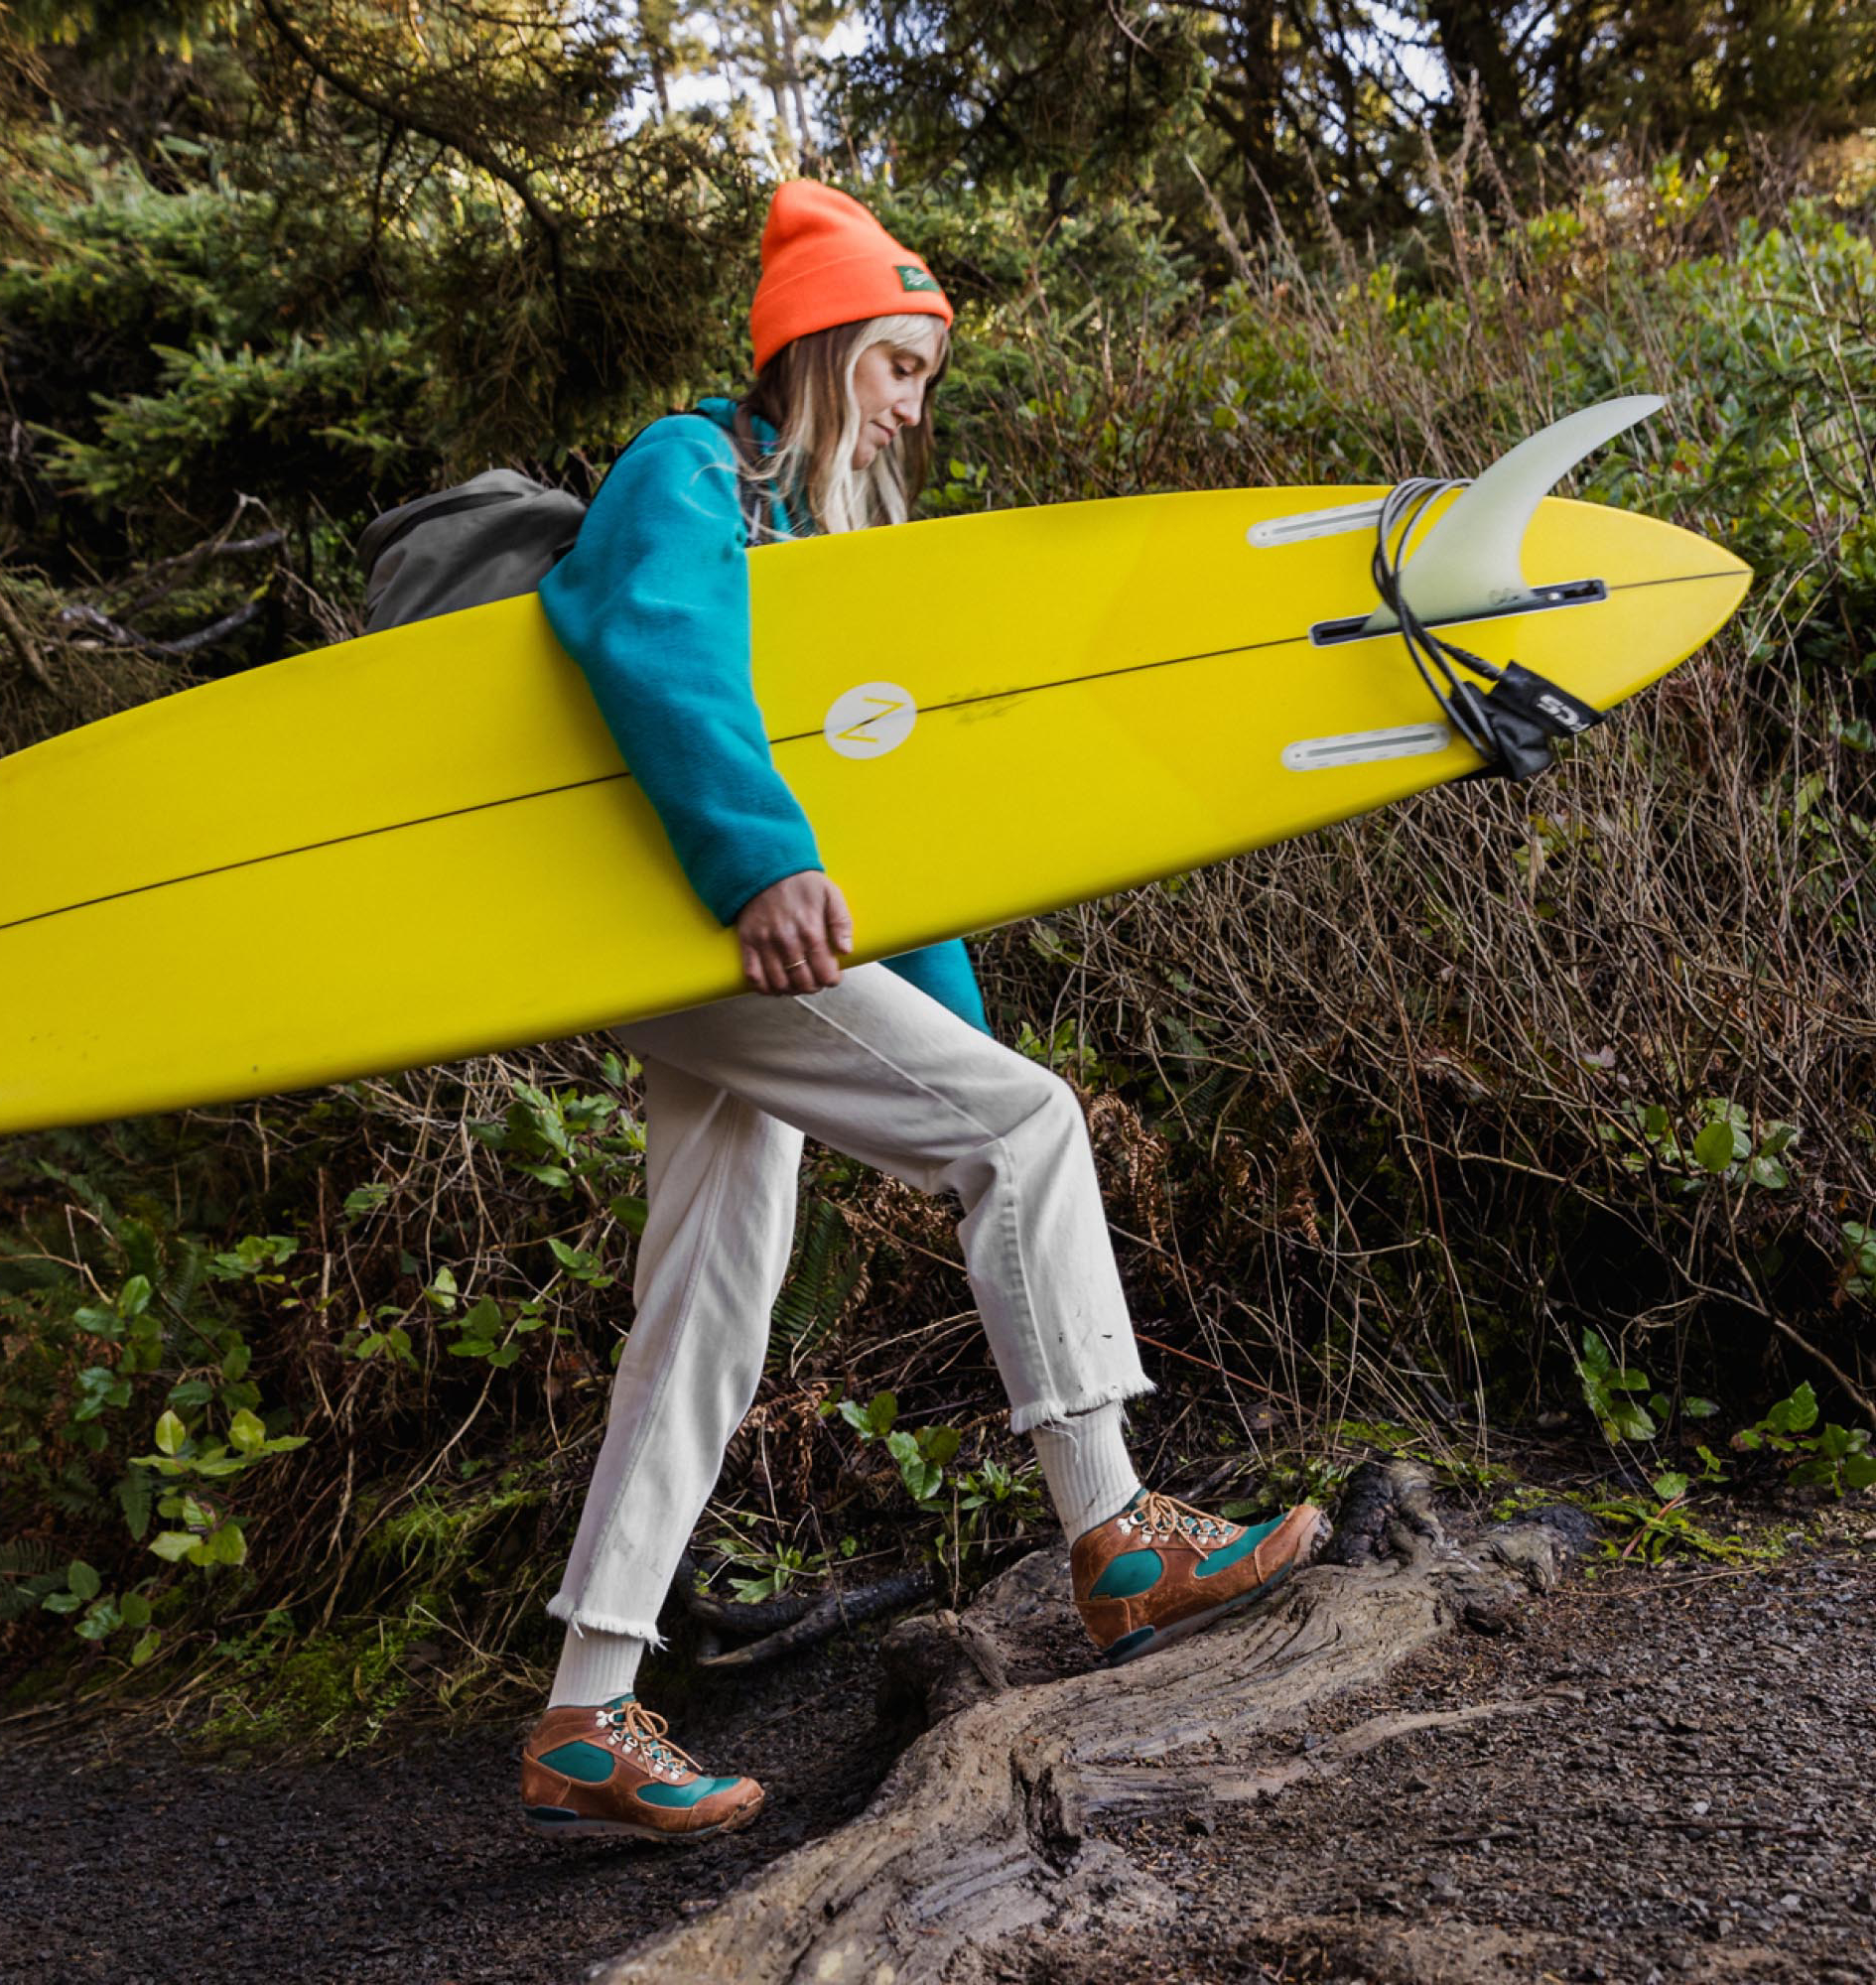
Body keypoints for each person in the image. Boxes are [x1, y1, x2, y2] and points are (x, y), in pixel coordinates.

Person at [517, 180, 1323, 1843]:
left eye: (924, 374)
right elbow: (652, 645)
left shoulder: (822, 548)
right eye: (893, 363)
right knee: (1022, 1131)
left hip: (743, 963)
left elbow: (884, 841)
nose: (910, 403)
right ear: (815, 350)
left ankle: (584, 1715)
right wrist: (754, 869)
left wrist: (930, 989)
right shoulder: (690, 466)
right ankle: (1115, 1539)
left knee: (711, 1297)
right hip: (698, 937)